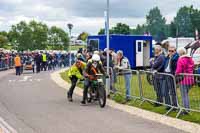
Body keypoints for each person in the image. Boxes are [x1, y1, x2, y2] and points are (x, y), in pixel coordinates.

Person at [176, 47, 194, 113]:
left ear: (179, 53)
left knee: (184, 95)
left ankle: (186, 110)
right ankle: (187, 108)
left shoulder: (181, 59)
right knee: (186, 95)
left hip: (184, 79)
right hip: (191, 79)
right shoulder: (190, 59)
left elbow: (178, 70)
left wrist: (175, 74)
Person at [163, 44, 179, 109]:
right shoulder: (167, 57)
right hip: (166, 74)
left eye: (172, 51)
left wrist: (174, 74)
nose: (170, 52)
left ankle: (175, 106)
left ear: (175, 51)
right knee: (165, 91)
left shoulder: (176, 58)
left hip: (171, 75)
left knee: (172, 92)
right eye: (169, 51)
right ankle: (168, 105)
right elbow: (165, 65)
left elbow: (176, 67)